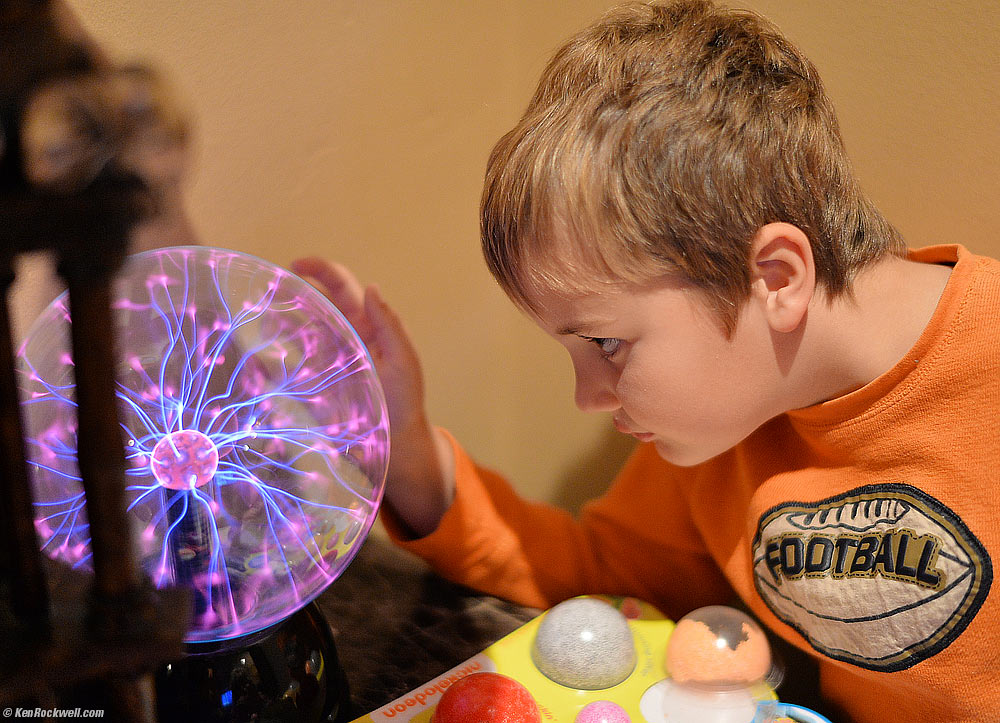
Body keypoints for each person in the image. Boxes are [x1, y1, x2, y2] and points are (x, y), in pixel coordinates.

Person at [295, 1, 999, 720]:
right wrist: (404, 447)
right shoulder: (732, 411)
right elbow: (601, 585)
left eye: (605, 343)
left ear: (777, 278)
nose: (588, 398)